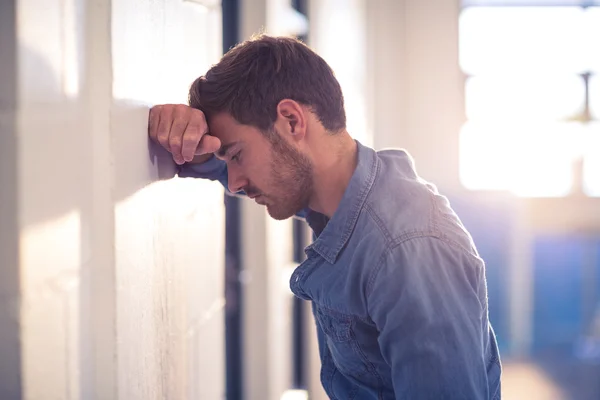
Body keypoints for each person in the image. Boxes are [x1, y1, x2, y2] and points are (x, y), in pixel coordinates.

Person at [148, 34, 501, 399]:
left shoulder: (406, 250)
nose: (234, 183)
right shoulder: (345, 196)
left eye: (236, 155)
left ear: (291, 121)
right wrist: (186, 137)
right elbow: (228, 169)